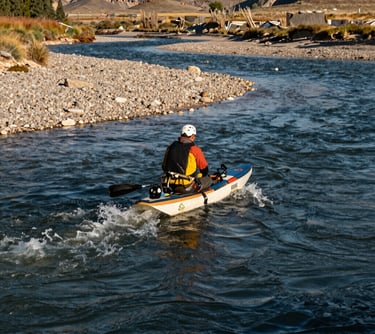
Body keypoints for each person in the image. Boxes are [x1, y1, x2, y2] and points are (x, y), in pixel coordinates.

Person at [162, 124, 212, 194]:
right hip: (185, 187)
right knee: (208, 180)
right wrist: (198, 176)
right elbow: (204, 170)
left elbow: (164, 167)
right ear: (192, 136)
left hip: (168, 184)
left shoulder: (170, 147)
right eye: (194, 136)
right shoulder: (195, 149)